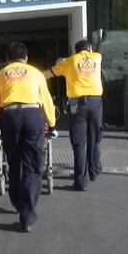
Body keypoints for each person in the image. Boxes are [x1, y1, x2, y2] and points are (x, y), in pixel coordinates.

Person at [0, 42, 57, 232]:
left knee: (14, 162)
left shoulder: (1, 74)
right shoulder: (35, 72)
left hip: (9, 117)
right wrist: (51, 123)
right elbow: (46, 99)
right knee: (33, 165)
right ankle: (26, 215)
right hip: (32, 115)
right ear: (26, 58)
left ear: (8, 59)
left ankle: (18, 202)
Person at [43, 40, 103, 192]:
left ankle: (81, 182)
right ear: (89, 49)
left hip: (77, 105)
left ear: (75, 51)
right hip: (96, 103)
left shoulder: (68, 62)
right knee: (94, 137)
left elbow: (48, 74)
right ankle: (94, 172)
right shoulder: (97, 57)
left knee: (79, 142)